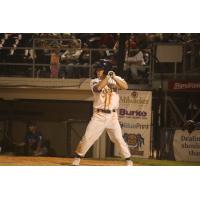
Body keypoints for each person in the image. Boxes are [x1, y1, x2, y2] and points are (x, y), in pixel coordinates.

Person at [72, 60, 133, 166]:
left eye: (100, 69)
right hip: (99, 115)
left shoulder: (115, 79)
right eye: (97, 69)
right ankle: (78, 158)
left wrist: (113, 77)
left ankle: (128, 160)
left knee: (118, 139)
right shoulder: (94, 81)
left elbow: (125, 87)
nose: (97, 71)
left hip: (113, 116)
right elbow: (98, 88)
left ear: (106, 70)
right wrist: (108, 78)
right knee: (88, 137)